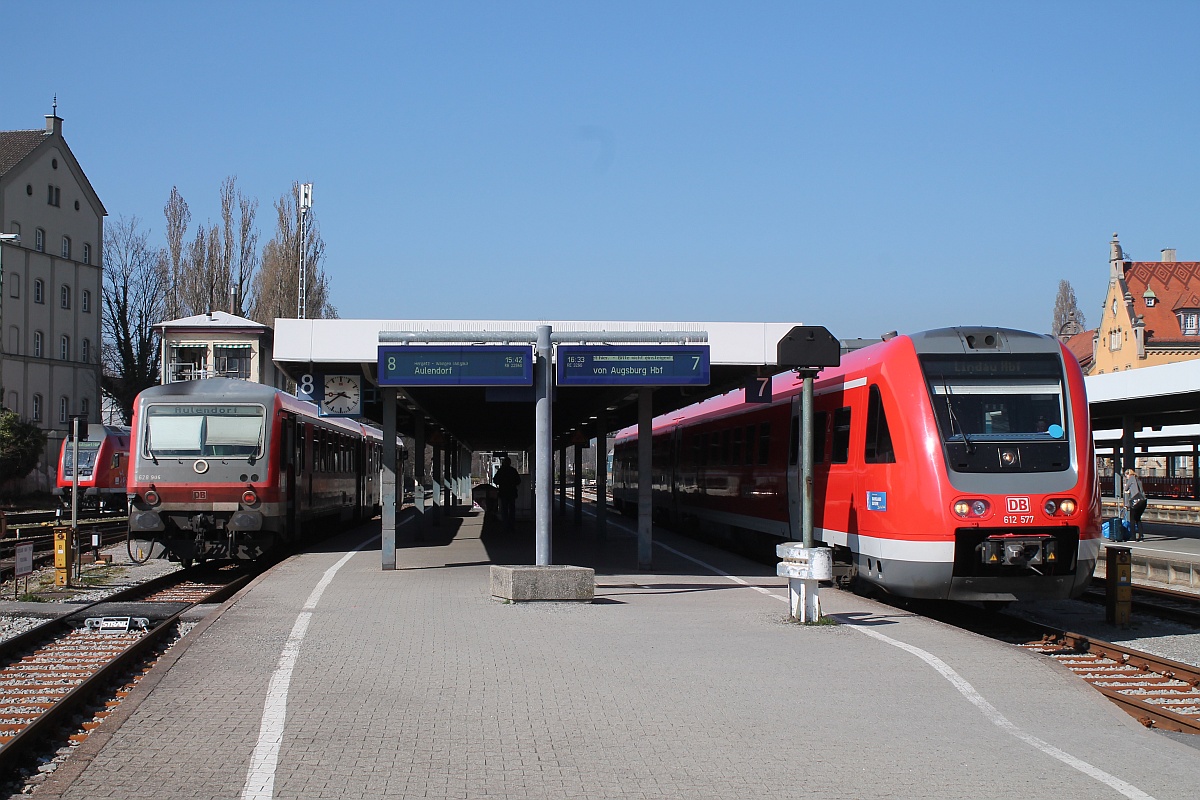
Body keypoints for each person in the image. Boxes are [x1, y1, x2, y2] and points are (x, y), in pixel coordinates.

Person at [492, 457, 520, 532]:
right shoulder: (513, 471)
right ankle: (512, 525)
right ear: (510, 463)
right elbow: (518, 481)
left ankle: (505, 525)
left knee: (504, 509)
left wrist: (502, 483)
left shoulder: (501, 471)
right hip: (512, 492)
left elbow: (495, 480)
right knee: (512, 509)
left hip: (503, 492)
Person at [1123, 468, 1147, 542]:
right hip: (1143, 501)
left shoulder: (1131, 478)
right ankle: (1141, 536)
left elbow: (1126, 489)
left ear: (1128, 474)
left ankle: (1133, 537)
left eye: (1126, 476)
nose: (1126, 477)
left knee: (1132, 519)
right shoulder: (1138, 479)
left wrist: (1126, 486)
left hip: (1136, 501)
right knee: (1138, 519)